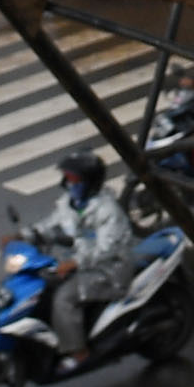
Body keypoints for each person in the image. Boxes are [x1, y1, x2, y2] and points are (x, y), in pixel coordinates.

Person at [41, 146, 137, 360]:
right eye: (68, 179)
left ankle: (78, 351)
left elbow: (106, 249)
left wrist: (75, 262)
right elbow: (51, 225)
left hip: (109, 269)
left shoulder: (108, 211)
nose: (70, 184)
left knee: (64, 298)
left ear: (90, 182)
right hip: (81, 265)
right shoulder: (70, 203)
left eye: (75, 179)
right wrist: (26, 235)